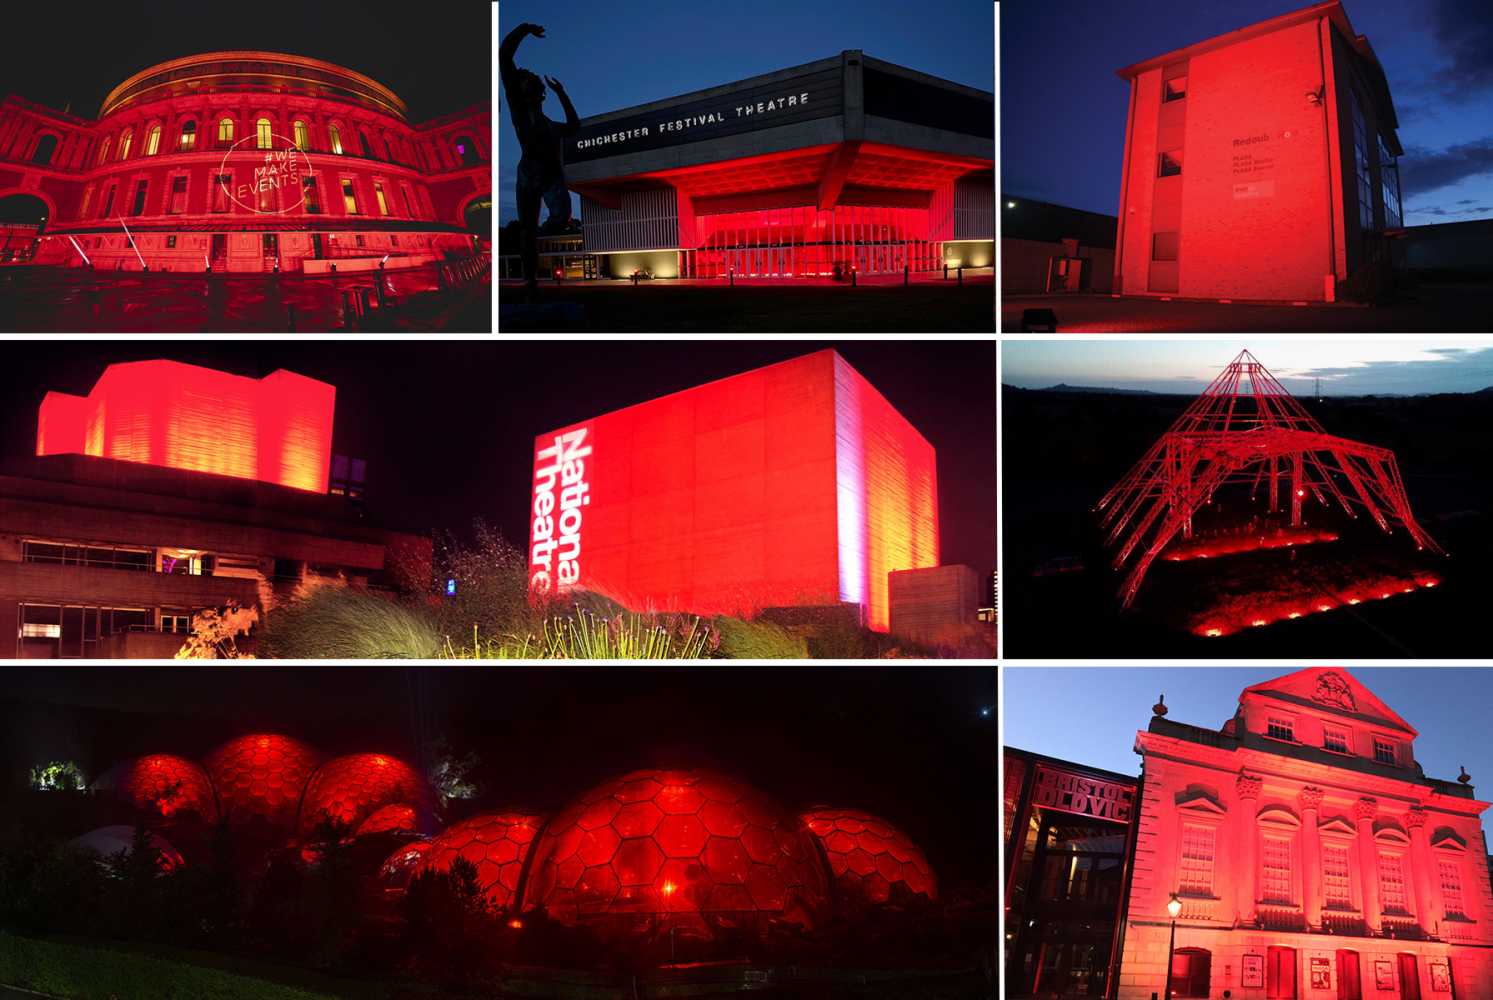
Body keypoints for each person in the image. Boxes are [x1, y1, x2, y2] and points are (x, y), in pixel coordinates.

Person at [500, 22, 580, 298]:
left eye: (533, 77)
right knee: (526, 229)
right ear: (522, 88)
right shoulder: (520, 111)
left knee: (561, 218)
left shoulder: (551, 126)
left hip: (550, 176)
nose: (532, 77)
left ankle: (542, 236)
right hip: (528, 176)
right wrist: (523, 29)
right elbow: (504, 56)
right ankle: (531, 279)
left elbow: (574, 127)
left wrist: (562, 94)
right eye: (527, 77)